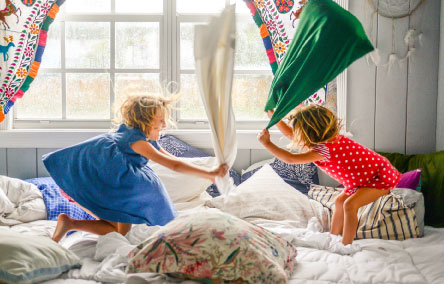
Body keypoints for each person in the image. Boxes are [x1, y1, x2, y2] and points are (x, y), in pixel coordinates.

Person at [44, 94, 228, 242]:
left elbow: (173, 159)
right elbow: (173, 165)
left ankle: (69, 223)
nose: (164, 125)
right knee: (121, 231)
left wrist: (205, 171)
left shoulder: (146, 140)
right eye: (161, 120)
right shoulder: (137, 141)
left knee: (119, 231)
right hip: (116, 184)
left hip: (120, 183)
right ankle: (73, 225)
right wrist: (209, 174)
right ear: (145, 121)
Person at [257, 104, 401, 246]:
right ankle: (333, 238)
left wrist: (267, 143)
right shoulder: (326, 141)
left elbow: (291, 159)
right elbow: (291, 134)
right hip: (363, 179)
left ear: (309, 133)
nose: (296, 135)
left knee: (350, 205)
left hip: (379, 177)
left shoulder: (324, 149)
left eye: (299, 130)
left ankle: (346, 245)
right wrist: (274, 118)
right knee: (339, 202)